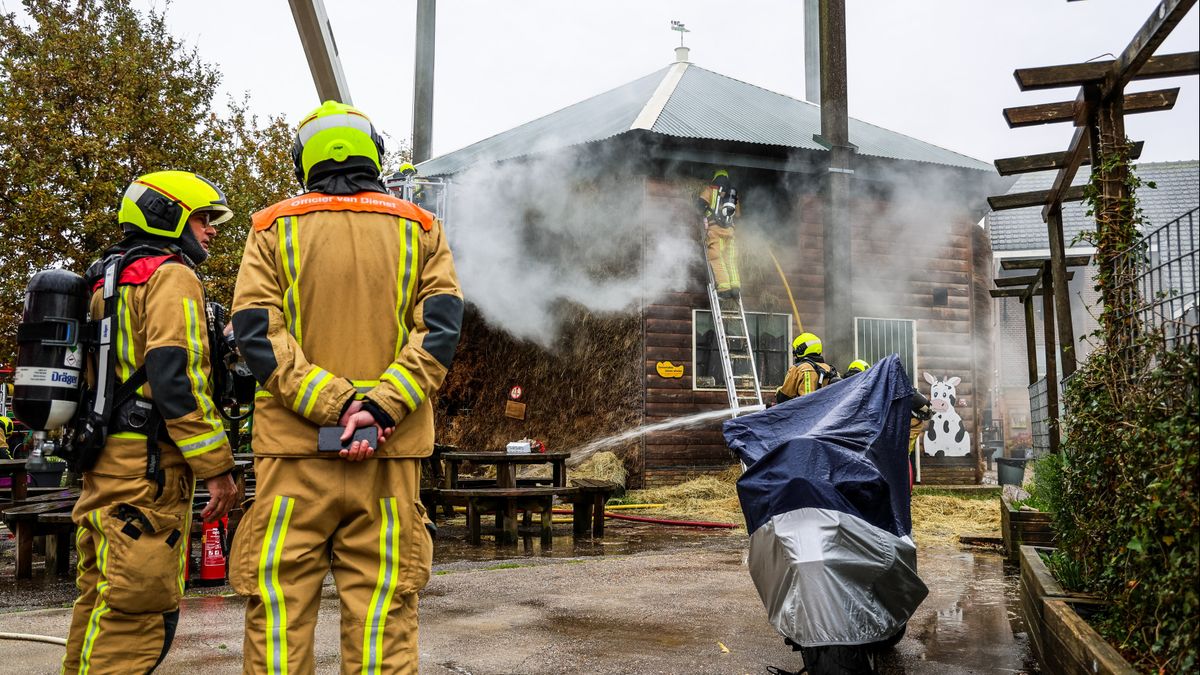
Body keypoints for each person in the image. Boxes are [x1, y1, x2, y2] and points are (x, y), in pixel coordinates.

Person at [230, 100, 463, 674]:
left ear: (302, 159)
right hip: (388, 454)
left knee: (281, 608)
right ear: (374, 156)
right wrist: (379, 409)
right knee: (384, 608)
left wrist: (334, 405)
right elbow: (439, 332)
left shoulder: (270, 228)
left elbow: (257, 336)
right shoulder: (422, 229)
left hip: (292, 456)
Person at [62, 171, 239, 673]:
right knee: (137, 615)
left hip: (104, 462)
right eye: (203, 218)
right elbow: (175, 377)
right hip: (146, 470)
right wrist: (216, 468)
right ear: (170, 215)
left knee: (100, 602)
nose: (211, 230)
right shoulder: (171, 274)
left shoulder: (106, 277)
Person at [698, 169, 741, 298]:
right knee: (731, 259)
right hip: (730, 231)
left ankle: (724, 289)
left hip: (715, 230)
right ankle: (735, 287)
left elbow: (699, 205)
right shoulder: (733, 195)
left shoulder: (710, 189)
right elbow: (738, 215)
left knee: (717, 258)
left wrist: (706, 213)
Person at [775, 333, 840, 404]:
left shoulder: (798, 369)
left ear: (801, 350)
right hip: (826, 413)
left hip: (804, 413)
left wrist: (779, 391)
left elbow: (783, 398)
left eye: (795, 351)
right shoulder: (831, 370)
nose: (794, 355)